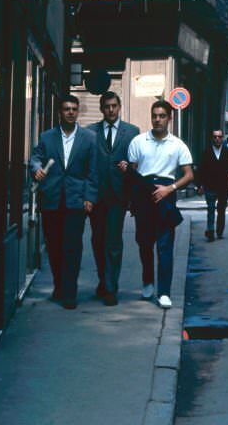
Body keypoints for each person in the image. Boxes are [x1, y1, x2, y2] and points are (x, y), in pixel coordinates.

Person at [29, 94, 98, 309]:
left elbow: (93, 171)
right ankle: (59, 286)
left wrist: (90, 197)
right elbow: (35, 158)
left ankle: (70, 293)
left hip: (76, 201)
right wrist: (36, 169)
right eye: (66, 109)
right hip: (51, 199)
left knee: (72, 247)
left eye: (73, 109)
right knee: (54, 247)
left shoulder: (89, 138)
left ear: (78, 112)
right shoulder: (47, 137)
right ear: (60, 112)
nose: (70, 112)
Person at [127, 100, 193, 309]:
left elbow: (189, 175)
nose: (157, 119)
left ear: (169, 118)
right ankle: (148, 282)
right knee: (144, 243)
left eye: (162, 116)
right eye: (154, 115)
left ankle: (164, 291)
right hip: (143, 192)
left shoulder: (178, 145)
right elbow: (133, 171)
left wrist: (170, 188)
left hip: (166, 192)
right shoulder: (138, 141)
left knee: (165, 245)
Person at [87, 91, 139, 305]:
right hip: (97, 195)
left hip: (118, 196)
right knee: (98, 241)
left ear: (119, 107)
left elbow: (138, 163)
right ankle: (103, 279)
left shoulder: (132, 132)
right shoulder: (90, 132)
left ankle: (111, 288)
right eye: (106, 106)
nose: (110, 110)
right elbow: (86, 165)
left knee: (114, 242)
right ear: (101, 108)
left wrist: (129, 169)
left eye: (114, 106)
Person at [196, 128, 228, 241]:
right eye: (215, 137)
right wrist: (199, 185)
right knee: (210, 208)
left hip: (223, 186)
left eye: (219, 137)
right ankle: (210, 230)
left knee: (221, 209)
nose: (217, 139)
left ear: (222, 138)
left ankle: (219, 230)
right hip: (210, 185)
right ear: (212, 138)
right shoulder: (206, 152)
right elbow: (200, 170)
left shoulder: (227, 153)